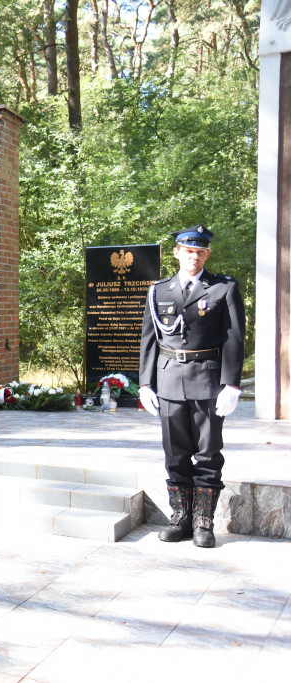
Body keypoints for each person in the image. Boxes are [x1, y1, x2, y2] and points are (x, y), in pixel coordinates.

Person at [139, 225, 246, 548]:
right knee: (175, 454)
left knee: (209, 454)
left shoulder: (223, 288)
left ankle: (203, 523)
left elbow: (234, 338)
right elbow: (149, 339)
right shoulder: (158, 290)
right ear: (177, 253)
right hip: (169, 378)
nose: (194, 256)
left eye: (200, 251)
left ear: (207, 254)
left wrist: (232, 384)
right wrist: (146, 383)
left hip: (208, 380)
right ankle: (181, 518)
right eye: (188, 251)